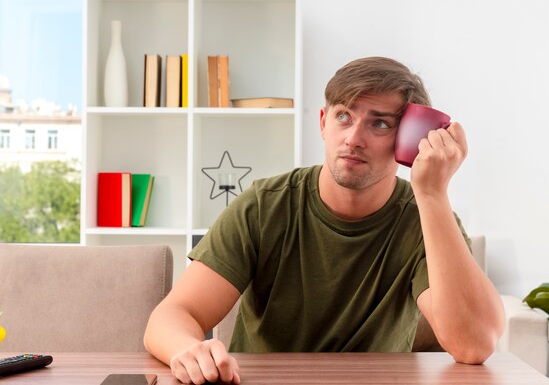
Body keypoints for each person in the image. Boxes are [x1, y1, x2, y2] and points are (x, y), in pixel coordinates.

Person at [144, 56, 505, 384]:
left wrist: (432, 193)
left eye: (379, 124)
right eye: (344, 116)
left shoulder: (427, 217)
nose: (353, 138)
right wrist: (187, 349)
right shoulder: (266, 205)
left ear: (409, 140)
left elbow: (473, 346)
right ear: (323, 122)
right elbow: (175, 314)